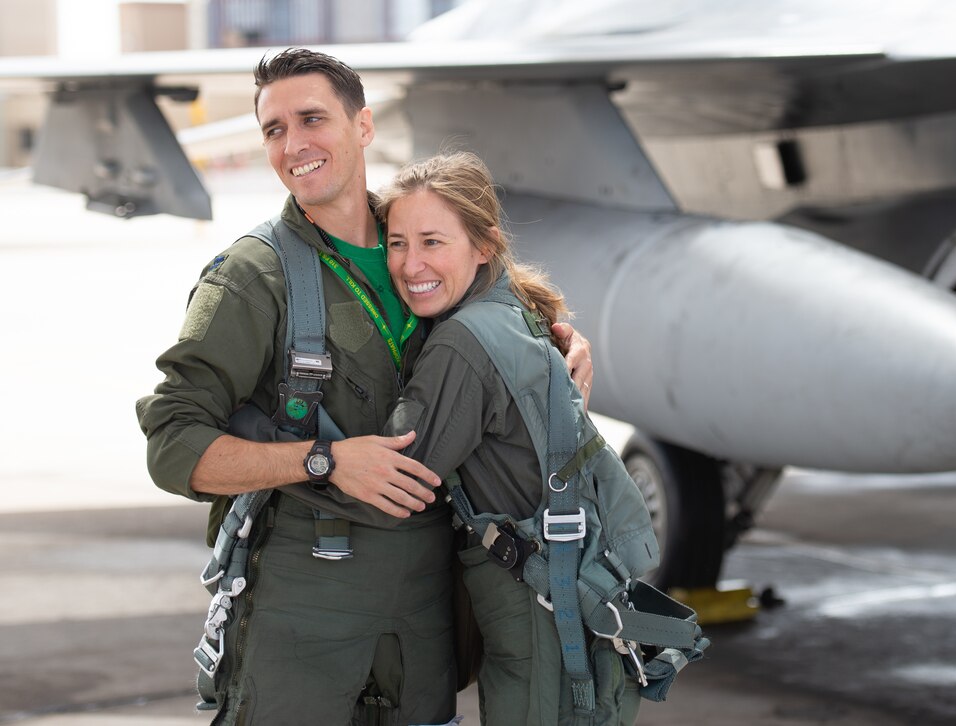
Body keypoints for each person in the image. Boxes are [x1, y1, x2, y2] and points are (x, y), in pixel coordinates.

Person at [135, 48, 593, 726]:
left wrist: (558, 342)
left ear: (363, 127)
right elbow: (172, 444)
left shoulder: (422, 238)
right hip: (306, 595)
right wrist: (321, 460)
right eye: (274, 129)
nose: (294, 145)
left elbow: (504, 301)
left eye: (312, 118)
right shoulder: (251, 279)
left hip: (427, 599)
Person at [376, 151, 644, 725]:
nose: (410, 263)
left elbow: (392, 479)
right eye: (397, 243)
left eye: (432, 241)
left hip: (536, 612)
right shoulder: (512, 310)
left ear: (485, 244)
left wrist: (298, 453)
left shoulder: (461, 345)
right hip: (566, 591)